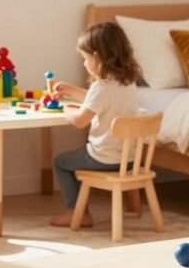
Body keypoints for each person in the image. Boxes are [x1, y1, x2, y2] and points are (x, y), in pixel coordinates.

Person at [50, 20, 141, 227]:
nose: (84, 64)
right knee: (68, 159)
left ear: (97, 58)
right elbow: (101, 101)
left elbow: (81, 121)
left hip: (103, 157)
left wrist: (66, 109)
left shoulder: (101, 88)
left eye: (85, 58)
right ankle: (78, 212)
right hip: (129, 159)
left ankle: (77, 212)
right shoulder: (127, 83)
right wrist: (72, 91)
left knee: (60, 162)